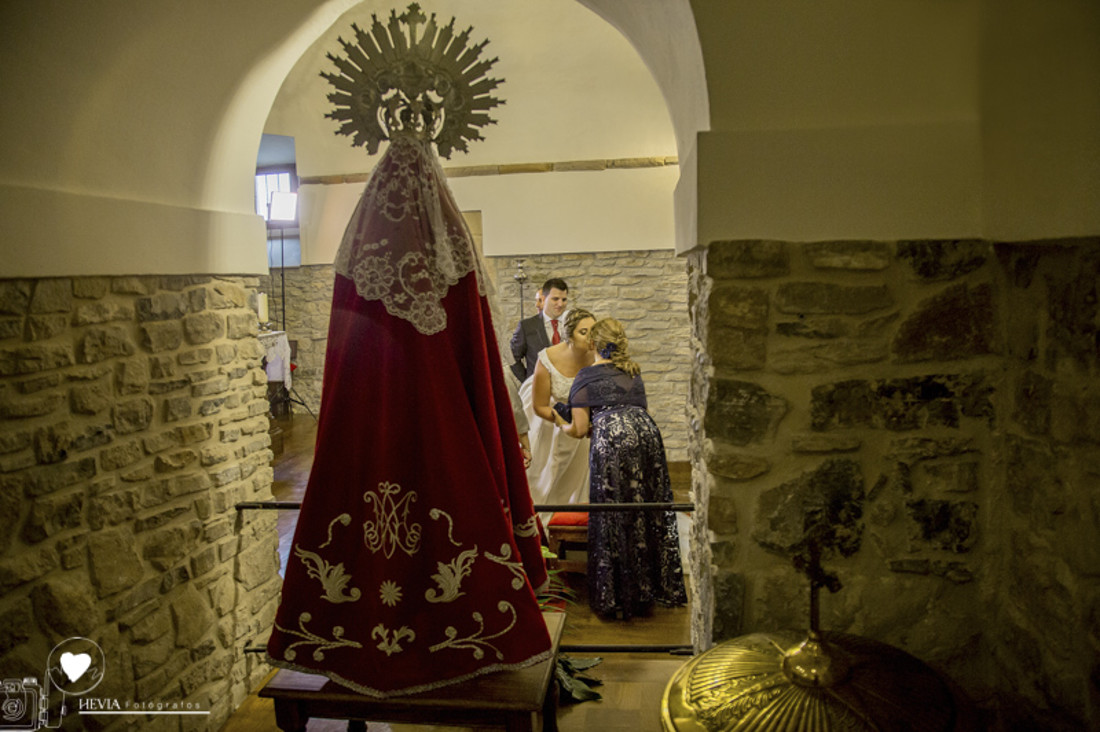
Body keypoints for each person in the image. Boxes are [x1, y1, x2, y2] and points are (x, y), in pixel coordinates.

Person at [559, 318, 687, 619]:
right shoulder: (633, 372)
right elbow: (635, 409)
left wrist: (561, 426)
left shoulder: (585, 376)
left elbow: (579, 429)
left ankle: (618, 594)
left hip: (613, 439)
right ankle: (649, 589)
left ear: (593, 344)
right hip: (646, 435)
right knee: (644, 508)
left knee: (613, 512)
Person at [520, 307, 596, 524]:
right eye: (583, 332)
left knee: (576, 483)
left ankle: (571, 528)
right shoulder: (547, 358)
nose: (590, 337)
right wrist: (564, 421)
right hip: (550, 425)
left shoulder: (597, 356)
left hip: (582, 432)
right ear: (569, 334)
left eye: (593, 331)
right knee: (545, 479)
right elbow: (539, 406)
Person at [509, 278, 568, 381]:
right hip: (536, 391)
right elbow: (512, 357)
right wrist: (527, 381)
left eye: (564, 300)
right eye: (555, 299)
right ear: (544, 299)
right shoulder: (526, 326)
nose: (560, 304)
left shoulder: (571, 324)